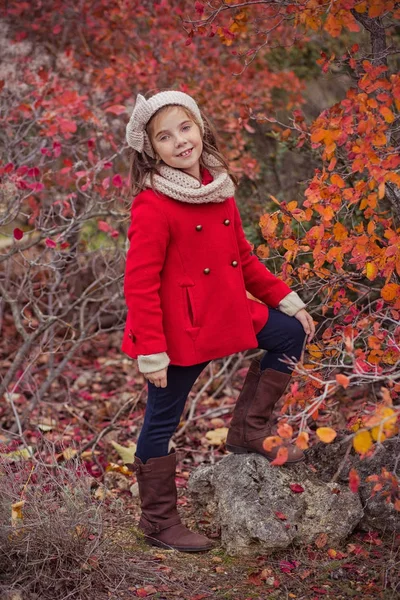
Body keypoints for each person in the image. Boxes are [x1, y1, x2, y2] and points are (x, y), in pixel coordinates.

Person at [122, 90, 315, 553]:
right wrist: (152, 350)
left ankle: (250, 427)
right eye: (164, 137)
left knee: (290, 332)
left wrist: (286, 300)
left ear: (200, 127)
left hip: (227, 310)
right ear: (152, 148)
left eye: (184, 128)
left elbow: (242, 259)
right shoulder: (152, 205)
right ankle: (159, 522)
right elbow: (140, 283)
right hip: (181, 331)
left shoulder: (218, 188)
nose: (179, 142)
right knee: (162, 421)